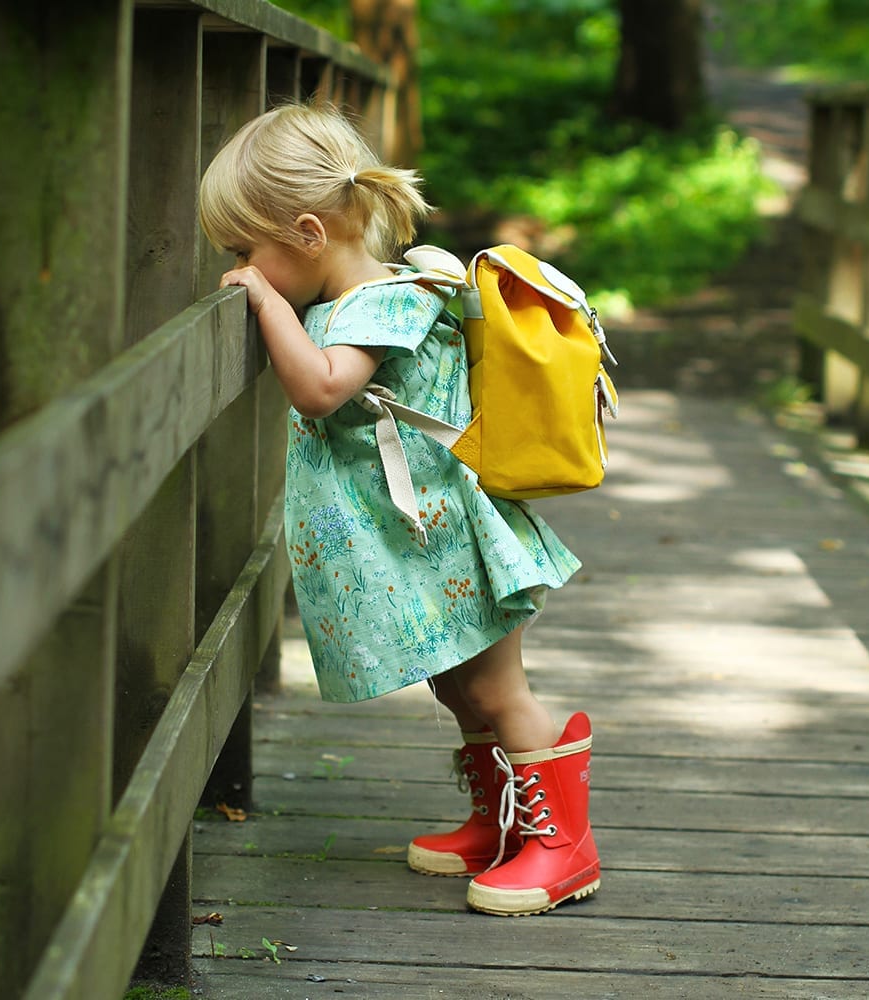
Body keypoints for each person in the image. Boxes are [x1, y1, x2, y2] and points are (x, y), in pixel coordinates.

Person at [198, 101, 599, 916]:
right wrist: (275, 292)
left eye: (245, 251)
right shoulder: (349, 301)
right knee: (461, 692)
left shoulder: (381, 303)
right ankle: (501, 821)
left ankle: (566, 846)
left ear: (309, 233)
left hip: (453, 543)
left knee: (498, 693)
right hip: (420, 545)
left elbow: (321, 390)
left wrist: (266, 302)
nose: (238, 268)